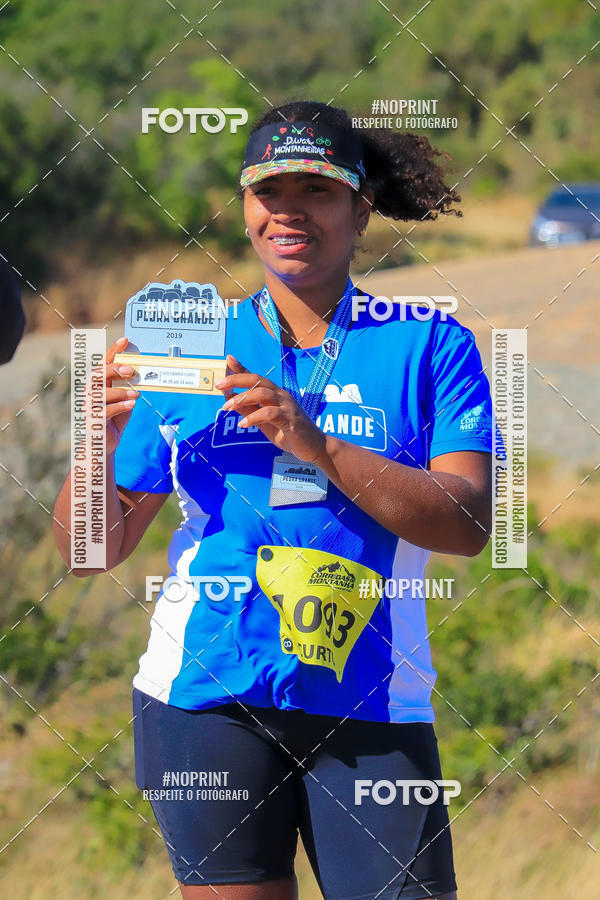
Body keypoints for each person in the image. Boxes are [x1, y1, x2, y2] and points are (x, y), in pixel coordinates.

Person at [54, 99, 495, 899]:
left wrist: (317, 444)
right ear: (245, 206)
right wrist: (92, 432)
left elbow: (467, 523)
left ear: (362, 208)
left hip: (371, 702)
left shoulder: (430, 343)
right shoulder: (186, 341)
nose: (289, 213)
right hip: (206, 695)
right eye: (269, 192)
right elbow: (92, 551)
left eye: (317, 192)